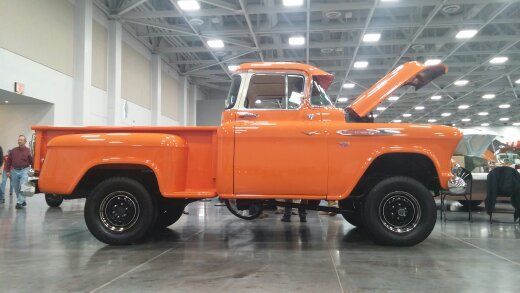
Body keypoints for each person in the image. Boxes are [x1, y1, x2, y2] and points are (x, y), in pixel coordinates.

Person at [6, 135, 33, 209]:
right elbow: (8, 161)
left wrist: (33, 171)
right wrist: (7, 171)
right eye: (19, 140)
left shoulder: (28, 150)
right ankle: (22, 200)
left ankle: (19, 202)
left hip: (25, 170)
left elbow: (32, 161)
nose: (19, 141)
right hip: (14, 171)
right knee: (15, 187)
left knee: (23, 186)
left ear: (25, 141)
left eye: (21, 140)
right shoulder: (13, 150)